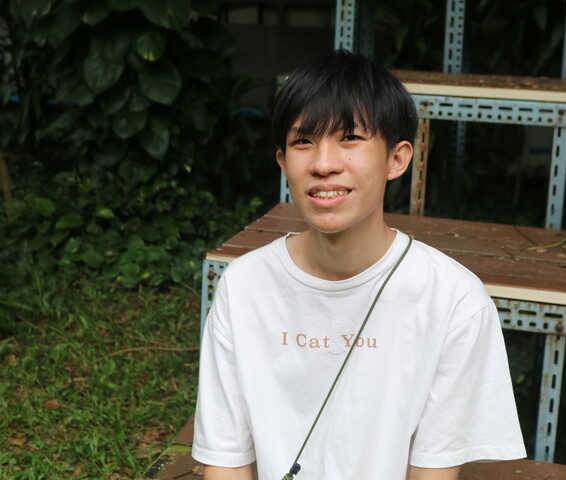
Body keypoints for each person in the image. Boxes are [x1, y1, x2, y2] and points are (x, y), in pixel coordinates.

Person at [192, 51, 526, 480]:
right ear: (283, 162)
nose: (323, 164)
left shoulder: (453, 300)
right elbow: (226, 462)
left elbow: (433, 471)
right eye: (303, 141)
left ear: (397, 159)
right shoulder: (244, 287)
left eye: (349, 138)